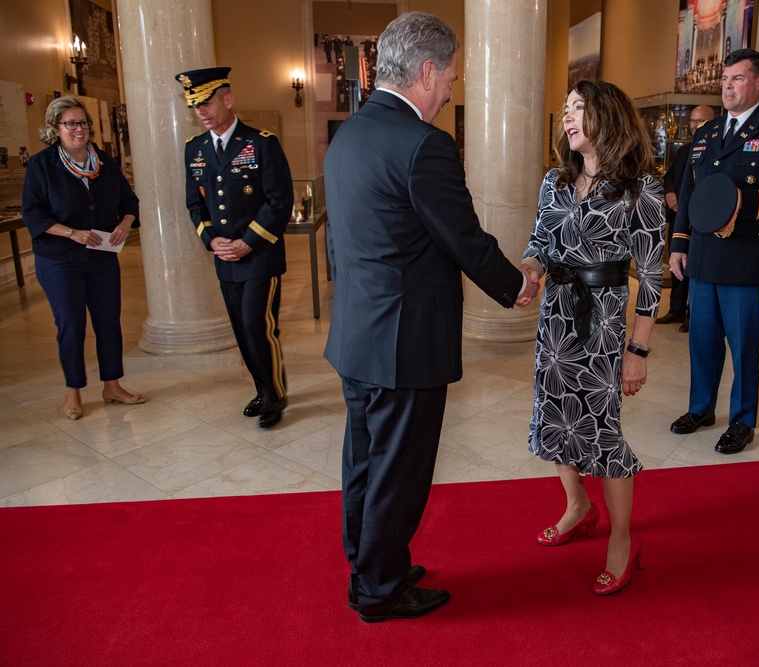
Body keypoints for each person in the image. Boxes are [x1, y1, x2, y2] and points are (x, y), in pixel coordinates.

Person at [322, 12, 539, 623]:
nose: (450, 89)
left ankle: (368, 559)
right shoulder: (425, 144)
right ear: (425, 70)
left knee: (365, 459)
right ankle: (380, 590)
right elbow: (464, 240)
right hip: (404, 343)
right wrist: (515, 284)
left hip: (359, 335)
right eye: (449, 77)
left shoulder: (350, 134)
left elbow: (342, 244)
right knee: (400, 469)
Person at [520, 79, 665, 596]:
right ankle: (578, 506)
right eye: (565, 109)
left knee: (601, 430)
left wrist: (638, 349)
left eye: (578, 107)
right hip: (555, 317)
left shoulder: (640, 187)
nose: (568, 116)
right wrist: (530, 272)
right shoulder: (554, 181)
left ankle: (623, 540)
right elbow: (539, 240)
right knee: (557, 416)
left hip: (602, 320)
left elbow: (651, 275)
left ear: (607, 115)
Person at [668, 49, 759, 454]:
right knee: (703, 341)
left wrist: (739, 204)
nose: (728, 86)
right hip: (705, 260)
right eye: (725, 79)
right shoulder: (706, 135)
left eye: (737, 79)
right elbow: (692, 194)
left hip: (748, 260)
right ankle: (701, 408)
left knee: (746, 346)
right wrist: (680, 244)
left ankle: (744, 420)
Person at [176, 67, 293, 428]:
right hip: (226, 257)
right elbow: (194, 204)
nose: (202, 112)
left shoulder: (260, 142)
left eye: (207, 103)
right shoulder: (194, 149)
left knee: (257, 324)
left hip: (259, 255)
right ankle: (262, 387)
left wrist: (248, 242)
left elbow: (279, 201)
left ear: (228, 99)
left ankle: (275, 396)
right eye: (195, 106)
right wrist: (211, 240)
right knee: (242, 330)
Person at [21, 96, 143, 420]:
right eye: (70, 123)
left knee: (108, 323)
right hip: (60, 259)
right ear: (55, 129)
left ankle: (112, 386)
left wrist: (124, 223)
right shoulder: (41, 165)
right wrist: (71, 232)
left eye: (83, 122)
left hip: (102, 257)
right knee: (71, 327)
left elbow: (130, 202)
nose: (79, 129)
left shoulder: (104, 162)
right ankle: (73, 392)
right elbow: (32, 213)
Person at [655, 105, 715, 332]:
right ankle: (676, 309)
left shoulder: (714, 152)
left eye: (700, 121)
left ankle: (693, 313)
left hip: (700, 221)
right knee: (676, 263)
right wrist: (669, 194)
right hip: (678, 217)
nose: (694, 126)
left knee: (694, 267)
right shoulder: (683, 151)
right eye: (692, 121)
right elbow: (670, 175)